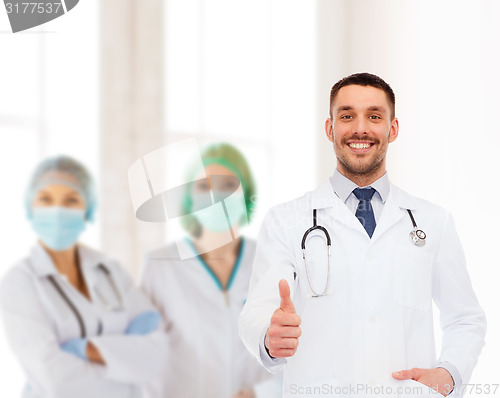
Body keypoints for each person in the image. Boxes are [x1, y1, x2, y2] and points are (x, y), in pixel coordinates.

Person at [239, 73, 486, 398]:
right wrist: (269, 337)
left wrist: (449, 374)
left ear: (392, 129)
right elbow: (257, 312)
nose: (360, 128)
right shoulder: (287, 220)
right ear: (330, 129)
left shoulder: (433, 222)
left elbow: (466, 318)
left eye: (374, 116)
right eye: (346, 116)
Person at [0, 155, 168, 398]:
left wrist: (83, 350)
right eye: (45, 199)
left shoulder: (110, 271)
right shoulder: (20, 282)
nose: (57, 210)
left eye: (71, 200)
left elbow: (155, 353)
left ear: (87, 209)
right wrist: (123, 363)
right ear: (30, 207)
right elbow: (55, 380)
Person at [141, 143, 282, 398]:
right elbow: (144, 362)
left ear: (246, 194)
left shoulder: (273, 261)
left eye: (228, 185)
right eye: (204, 186)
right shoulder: (160, 266)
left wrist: (262, 393)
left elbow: (297, 352)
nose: (216, 196)